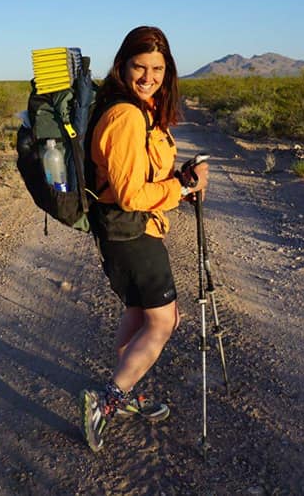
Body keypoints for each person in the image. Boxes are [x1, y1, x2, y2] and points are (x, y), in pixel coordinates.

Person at [79, 25, 209, 452]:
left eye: (158, 68)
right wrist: (183, 187)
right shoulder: (126, 116)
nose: (149, 76)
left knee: (138, 313)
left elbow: (140, 177)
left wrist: (177, 180)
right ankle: (107, 399)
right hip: (131, 233)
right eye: (140, 67)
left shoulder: (140, 109)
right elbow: (132, 195)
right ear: (123, 65)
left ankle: (124, 394)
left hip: (129, 230)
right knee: (164, 321)